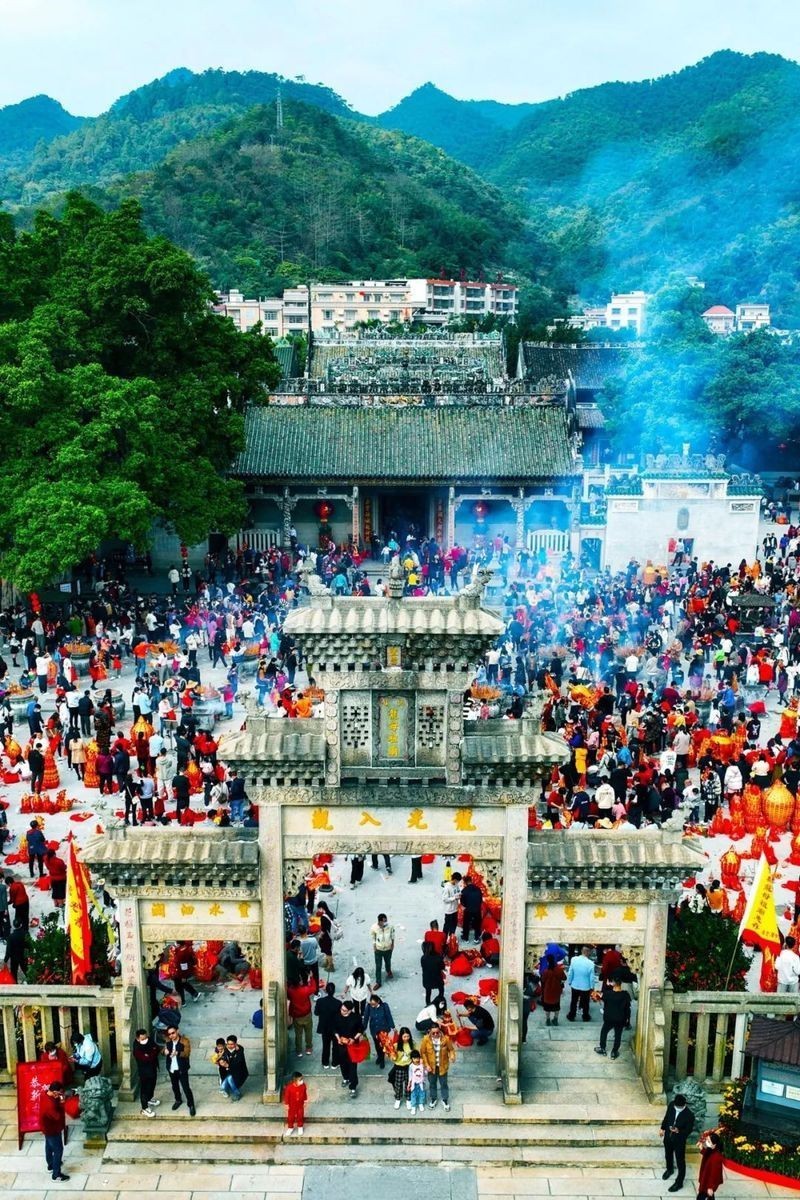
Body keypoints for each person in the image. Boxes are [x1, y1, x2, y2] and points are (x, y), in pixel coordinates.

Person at [660, 1092, 695, 1193]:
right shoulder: (671, 1105)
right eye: (676, 1106)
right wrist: (662, 1128)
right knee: (668, 1155)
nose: (677, 1108)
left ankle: (679, 1182)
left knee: (680, 1161)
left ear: (684, 1105)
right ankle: (669, 1169)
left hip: (679, 1141)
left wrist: (679, 1131)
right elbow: (667, 1118)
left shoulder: (689, 1115)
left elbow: (688, 1130)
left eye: (679, 1107)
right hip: (668, 1138)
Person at [594, 975, 632, 1059]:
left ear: (613, 983)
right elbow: (627, 1009)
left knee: (604, 1031)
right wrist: (627, 1021)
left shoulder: (608, 994)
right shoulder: (625, 995)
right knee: (618, 1035)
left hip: (609, 1018)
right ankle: (614, 1052)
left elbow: (599, 997)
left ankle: (602, 1048)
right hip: (620, 1019)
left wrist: (608, 985)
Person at [39, 1080, 69, 1182]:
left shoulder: (45, 1095)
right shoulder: (50, 1106)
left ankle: (51, 1165)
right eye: (59, 1093)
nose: (61, 1095)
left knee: (48, 1146)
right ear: (55, 1092)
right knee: (58, 1150)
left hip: (46, 1128)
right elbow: (58, 1117)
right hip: (53, 1129)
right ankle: (56, 1175)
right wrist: (62, 1102)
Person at [419, 1023, 454, 1112]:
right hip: (431, 1067)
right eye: (433, 1033)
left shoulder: (446, 1039)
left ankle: (445, 1099)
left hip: (442, 1066)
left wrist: (452, 1056)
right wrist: (426, 1065)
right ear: (430, 1032)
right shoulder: (426, 1040)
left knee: (444, 1084)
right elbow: (423, 1053)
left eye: (437, 1032)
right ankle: (433, 1098)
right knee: (432, 1084)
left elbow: (451, 1049)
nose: (435, 1034)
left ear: (439, 1031)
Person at [334, 999, 364, 1099]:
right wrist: (338, 1039)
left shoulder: (356, 1018)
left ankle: (353, 1086)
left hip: (352, 1045)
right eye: (342, 1009)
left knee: (352, 1066)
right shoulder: (337, 1016)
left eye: (345, 1011)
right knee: (342, 1063)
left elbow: (361, 1030)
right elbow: (335, 1029)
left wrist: (353, 1038)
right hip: (342, 1044)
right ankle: (345, 1078)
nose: (342, 1012)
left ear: (350, 1011)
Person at [164, 1025, 195, 1115]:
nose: (171, 1036)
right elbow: (163, 1050)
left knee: (186, 1087)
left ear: (177, 1031)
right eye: (169, 1034)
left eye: (173, 1033)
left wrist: (177, 1053)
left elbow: (187, 1053)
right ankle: (178, 1100)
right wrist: (164, 1051)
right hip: (171, 1068)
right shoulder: (168, 1041)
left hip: (181, 1069)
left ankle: (191, 1104)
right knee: (175, 1086)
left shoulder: (185, 1041)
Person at [132, 1029, 161, 1117]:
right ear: (138, 1039)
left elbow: (157, 1049)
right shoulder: (137, 1048)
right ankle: (144, 1108)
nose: (145, 1040)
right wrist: (152, 1053)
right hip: (144, 1071)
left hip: (152, 1068)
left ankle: (149, 1099)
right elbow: (145, 1058)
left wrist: (150, 1054)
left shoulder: (149, 1039)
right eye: (143, 1039)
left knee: (152, 1085)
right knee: (144, 1088)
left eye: (146, 1037)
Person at [287, 976, 318, 1057]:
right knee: (308, 1032)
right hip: (307, 1015)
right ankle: (308, 1048)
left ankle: (299, 1051)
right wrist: (311, 978)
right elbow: (314, 988)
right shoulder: (305, 990)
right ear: (300, 982)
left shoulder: (290, 991)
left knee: (298, 1034)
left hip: (296, 1016)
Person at [363, 992, 394, 1069]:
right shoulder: (369, 1007)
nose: (372, 1005)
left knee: (383, 1045)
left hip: (383, 1029)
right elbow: (366, 1018)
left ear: (378, 1002)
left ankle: (382, 1059)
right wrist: (363, 1029)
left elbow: (388, 1016)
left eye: (374, 1004)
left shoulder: (384, 1006)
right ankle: (379, 1056)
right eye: (371, 1004)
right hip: (374, 1029)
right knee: (377, 1044)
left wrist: (392, 1026)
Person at [566, 946, 596, 1022]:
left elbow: (570, 972)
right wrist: (592, 986)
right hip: (585, 986)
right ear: (588, 952)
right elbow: (592, 977)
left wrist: (569, 981)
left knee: (574, 1001)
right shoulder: (591, 963)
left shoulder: (574, 960)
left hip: (575, 984)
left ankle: (572, 1015)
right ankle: (585, 1016)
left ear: (582, 951)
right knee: (585, 1003)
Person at [315, 981, 341, 1069]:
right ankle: (335, 1063)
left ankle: (325, 1062)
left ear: (326, 990)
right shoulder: (338, 1003)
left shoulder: (320, 1001)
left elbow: (316, 1013)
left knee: (325, 1045)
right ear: (334, 991)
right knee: (335, 1046)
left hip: (324, 1027)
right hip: (335, 1028)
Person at [391, 1027, 415, 1109]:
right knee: (398, 1084)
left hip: (409, 1067)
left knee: (409, 1084)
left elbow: (416, 1054)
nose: (406, 1038)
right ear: (401, 1036)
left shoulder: (413, 1044)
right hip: (399, 1067)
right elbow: (392, 1057)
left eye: (408, 1036)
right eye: (404, 1037)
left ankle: (408, 1099)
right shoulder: (396, 1045)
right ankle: (398, 1099)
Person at [219, 1034, 248, 1101]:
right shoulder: (224, 1049)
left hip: (238, 1072)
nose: (230, 1046)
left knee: (229, 1079)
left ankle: (236, 1093)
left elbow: (238, 1063)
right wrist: (221, 1061)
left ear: (235, 1044)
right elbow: (217, 1048)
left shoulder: (239, 1051)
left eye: (232, 1044)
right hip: (227, 1071)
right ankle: (225, 1088)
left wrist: (228, 1065)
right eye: (228, 1044)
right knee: (228, 1079)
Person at [696, 1130, 725, 1199]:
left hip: (708, 1181)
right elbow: (706, 1153)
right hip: (706, 1176)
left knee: (702, 1195)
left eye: (709, 1141)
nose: (706, 1142)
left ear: (714, 1145)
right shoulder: (711, 1149)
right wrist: (701, 1148)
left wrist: (711, 1187)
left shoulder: (717, 1157)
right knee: (708, 1196)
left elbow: (715, 1174)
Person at [540, 953, 566, 1026]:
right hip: (556, 991)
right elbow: (564, 978)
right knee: (556, 1006)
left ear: (547, 961)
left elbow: (543, 980)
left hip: (547, 992)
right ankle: (555, 1019)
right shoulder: (559, 970)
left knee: (547, 1008)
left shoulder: (546, 971)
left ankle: (548, 1020)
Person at [370, 912, 395, 986]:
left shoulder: (390, 926)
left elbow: (393, 935)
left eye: (386, 920)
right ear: (380, 921)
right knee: (378, 966)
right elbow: (373, 937)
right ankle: (378, 982)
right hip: (378, 950)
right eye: (384, 921)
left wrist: (393, 945)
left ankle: (388, 971)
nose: (386, 922)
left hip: (388, 949)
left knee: (388, 962)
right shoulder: (374, 927)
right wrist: (374, 947)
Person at [459, 876, 484, 943]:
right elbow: (480, 900)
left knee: (466, 923)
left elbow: (462, 902)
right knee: (477, 923)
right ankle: (476, 937)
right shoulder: (478, 889)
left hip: (468, 910)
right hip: (477, 909)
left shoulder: (464, 890)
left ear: (465, 882)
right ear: (471, 880)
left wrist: (466, 906)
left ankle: (466, 938)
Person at [283, 1069, 308, 1137]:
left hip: (300, 1104)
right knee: (291, 1117)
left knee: (300, 1115)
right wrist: (286, 1104)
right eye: (300, 1080)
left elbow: (304, 1093)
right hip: (292, 1105)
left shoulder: (303, 1086)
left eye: (302, 1079)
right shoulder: (289, 1088)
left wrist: (305, 1100)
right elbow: (286, 1096)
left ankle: (300, 1126)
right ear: (295, 1080)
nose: (302, 1081)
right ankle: (290, 1127)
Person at [420, 940, 445, 1006]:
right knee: (441, 989)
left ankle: (428, 1005)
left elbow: (423, 967)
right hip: (437, 979)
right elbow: (442, 967)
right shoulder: (438, 957)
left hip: (427, 979)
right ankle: (440, 1002)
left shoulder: (423, 958)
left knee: (428, 993)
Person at [442, 872, 462, 937]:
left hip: (455, 909)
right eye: (458, 881)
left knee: (454, 924)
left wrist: (459, 895)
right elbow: (445, 899)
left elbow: (458, 891)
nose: (458, 883)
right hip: (449, 910)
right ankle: (444, 938)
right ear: (455, 880)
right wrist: (454, 898)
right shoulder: (447, 888)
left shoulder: (456, 885)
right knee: (447, 925)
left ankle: (451, 937)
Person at [407, 1050, 427, 1115]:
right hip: (414, 1083)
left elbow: (425, 1073)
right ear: (412, 1059)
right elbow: (410, 1075)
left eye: (418, 1058)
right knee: (413, 1095)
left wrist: (424, 1066)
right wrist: (409, 1084)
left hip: (421, 1083)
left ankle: (420, 1104)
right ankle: (413, 1106)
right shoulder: (411, 1066)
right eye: (414, 1058)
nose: (416, 1060)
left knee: (422, 1094)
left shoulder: (422, 1065)